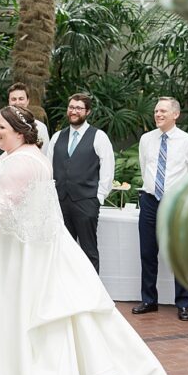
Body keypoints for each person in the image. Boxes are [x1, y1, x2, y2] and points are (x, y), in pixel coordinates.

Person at [0, 106, 169, 375]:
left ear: (20, 132)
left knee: (22, 310)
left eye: (1, 127)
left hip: (19, 251)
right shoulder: (22, 154)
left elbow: (3, 203)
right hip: (13, 244)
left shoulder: (24, 161)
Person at [131, 97, 188, 322]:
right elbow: (146, 169)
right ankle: (149, 300)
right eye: (156, 111)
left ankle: (183, 304)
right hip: (150, 201)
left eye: (163, 111)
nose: (158, 115)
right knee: (148, 254)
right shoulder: (146, 139)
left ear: (175, 115)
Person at [47, 93, 114, 272]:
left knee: (88, 250)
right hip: (60, 202)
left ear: (88, 111)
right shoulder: (56, 137)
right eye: (71, 107)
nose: (74, 111)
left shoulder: (99, 137)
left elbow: (107, 169)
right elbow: (48, 170)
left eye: (78, 108)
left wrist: (98, 197)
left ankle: (92, 296)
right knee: (62, 250)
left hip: (86, 202)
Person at [0, 82, 50, 160]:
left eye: (21, 99)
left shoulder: (40, 127)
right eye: (13, 99)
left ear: (28, 101)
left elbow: (44, 157)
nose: (17, 102)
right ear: (9, 101)